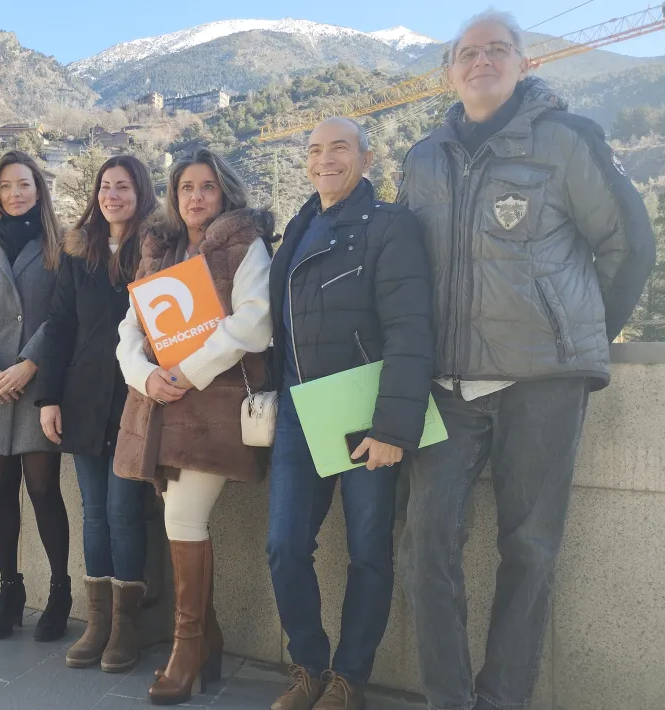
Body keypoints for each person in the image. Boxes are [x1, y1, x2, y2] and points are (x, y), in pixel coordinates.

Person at [396, 12, 656, 710]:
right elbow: (404, 270)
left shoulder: (569, 140)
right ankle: (449, 701)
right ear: (450, 71)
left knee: (530, 550)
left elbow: (629, 245)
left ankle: (502, 699)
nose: (481, 61)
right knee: (424, 546)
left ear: (524, 63)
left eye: (497, 50)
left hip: (544, 383)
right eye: (468, 52)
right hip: (448, 385)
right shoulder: (422, 158)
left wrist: (576, 338)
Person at [266, 118, 435, 710]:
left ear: (367, 157)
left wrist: (392, 427)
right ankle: (309, 666)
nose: (325, 159)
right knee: (284, 544)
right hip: (300, 407)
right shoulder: (298, 226)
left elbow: (410, 330)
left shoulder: (390, 225)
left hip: (365, 410)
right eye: (315, 150)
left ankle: (349, 678)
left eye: (339, 147)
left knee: (368, 550)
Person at [114, 148, 274, 705]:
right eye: (186, 187)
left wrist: (187, 371)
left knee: (182, 517)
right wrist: (144, 376)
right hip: (160, 405)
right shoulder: (159, 248)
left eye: (207, 186)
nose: (196, 197)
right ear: (174, 194)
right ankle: (207, 639)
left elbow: (254, 322)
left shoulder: (244, 244)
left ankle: (188, 646)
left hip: (213, 409)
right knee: (175, 517)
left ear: (224, 191)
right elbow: (131, 327)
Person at [35, 156, 158, 672]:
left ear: (141, 193)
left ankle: (127, 626)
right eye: (105, 186)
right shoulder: (78, 252)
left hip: (135, 398)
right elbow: (59, 326)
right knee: (94, 511)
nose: (112, 195)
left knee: (124, 511)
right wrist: (48, 398)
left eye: (123, 187)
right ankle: (98, 621)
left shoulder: (157, 249)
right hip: (83, 398)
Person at [0, 151, 72, 642]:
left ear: (38, 189)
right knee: (0, 489)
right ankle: (10, 591)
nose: (15, 193)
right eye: (5, 186)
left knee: (44, 489)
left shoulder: (62, 246)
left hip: (38, 384)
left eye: (23, 184)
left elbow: (63, 314)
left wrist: (29, 363)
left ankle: (61, 592)